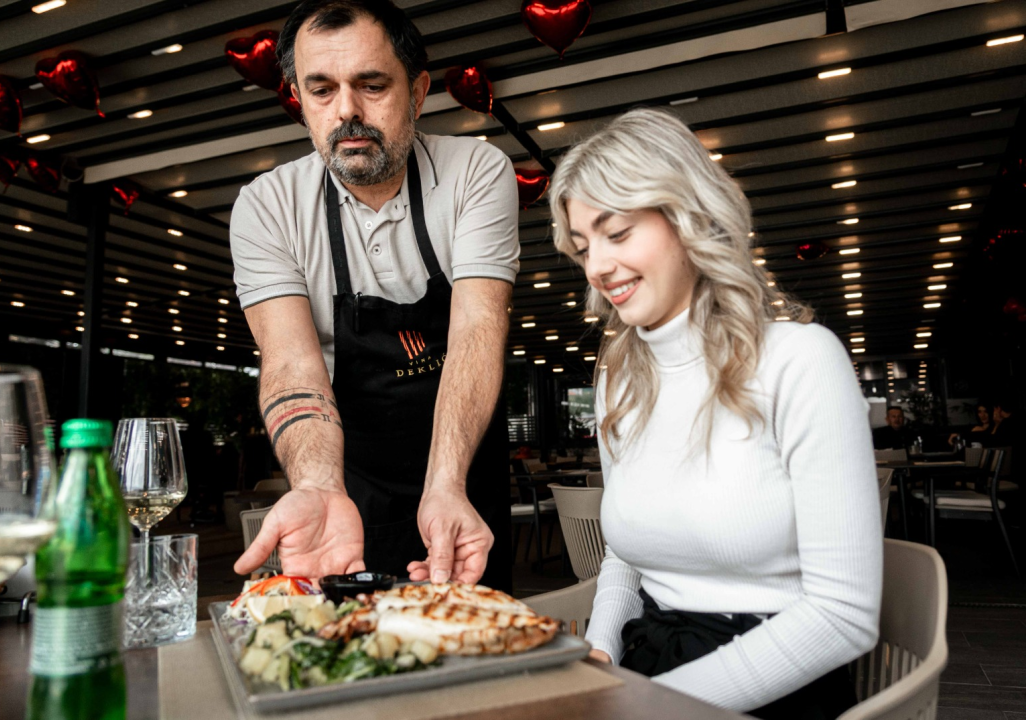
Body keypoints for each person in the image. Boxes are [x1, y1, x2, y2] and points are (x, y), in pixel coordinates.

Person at [549, 108, 882, 717]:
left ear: (688, 217)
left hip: (776, 679)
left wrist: (658, 706)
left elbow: (844, 616)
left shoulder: (800, 362)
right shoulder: (618, 377)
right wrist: (598, 659)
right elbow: (626, 558)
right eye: (583, 245)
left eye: (617, 233)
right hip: (643, 665)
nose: (596, 266)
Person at [228, 0, 520, 590]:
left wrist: (445, 484)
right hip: (348, 489)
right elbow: (290, 364)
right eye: (321, 89)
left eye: (371, 85)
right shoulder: (267, 206)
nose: (347, 112)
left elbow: (476, 334)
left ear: (416, 93)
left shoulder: (476, 172)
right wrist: (315, 486)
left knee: (477, 654)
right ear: (299, 98)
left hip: (463, 475)